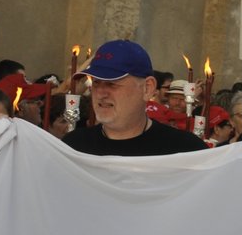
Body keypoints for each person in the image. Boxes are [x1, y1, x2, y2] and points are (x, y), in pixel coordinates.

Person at [63, 40, 207, 157]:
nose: (100, 93)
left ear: (147, 88)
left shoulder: (185, 151)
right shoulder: (73, 148)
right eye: (96, 82)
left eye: (112, 84)